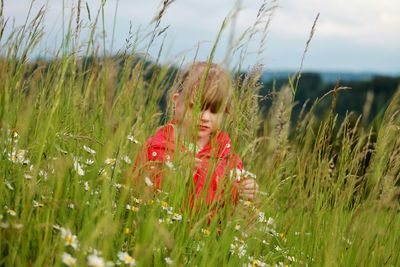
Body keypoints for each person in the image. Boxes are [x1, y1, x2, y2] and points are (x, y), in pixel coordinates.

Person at [133, 61, 258, 210]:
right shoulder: (155, 147)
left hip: (206, 232)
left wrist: (244, 193)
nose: (205, 117)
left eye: (214, 111)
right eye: (196, 107)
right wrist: (171, 173)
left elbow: (231, 212)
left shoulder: (227, 158)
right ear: (176, 101)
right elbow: (134, 190)